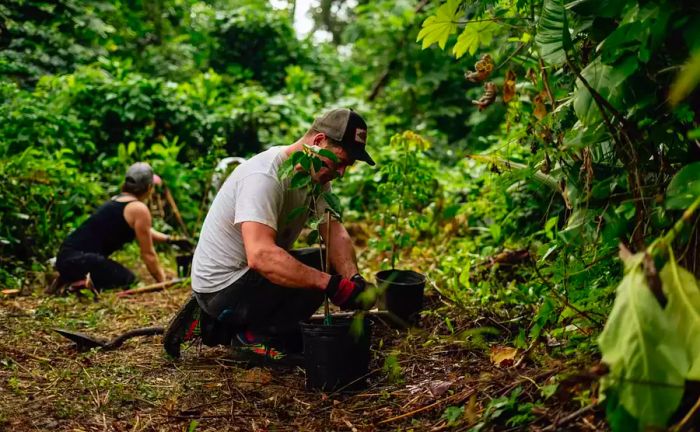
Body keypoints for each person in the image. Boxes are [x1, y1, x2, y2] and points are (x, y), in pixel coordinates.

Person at [163, 108, 376, 364]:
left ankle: (229, 324)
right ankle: (250, 338)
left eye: (347, 166)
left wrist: (352, 278)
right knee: (317, 275)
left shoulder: (315, 175)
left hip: (246, 281)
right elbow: (261, 256)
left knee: (324, 261)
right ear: (318, 142)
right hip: (223, 286)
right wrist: (330, 284)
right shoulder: (264, 176)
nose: (341, 172)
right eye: (339, 162)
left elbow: (333, 230)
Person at [50, 162, 183, 293]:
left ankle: (71, 278)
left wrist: (170, 239)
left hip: (67, 258)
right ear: (149, 187)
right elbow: (148, 254)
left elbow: (145, 231)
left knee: (116, 274)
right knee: (127, 280)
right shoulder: (139, 209)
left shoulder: (119, 200)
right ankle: (76, 285)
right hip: (80, 260)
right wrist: (163, 282)